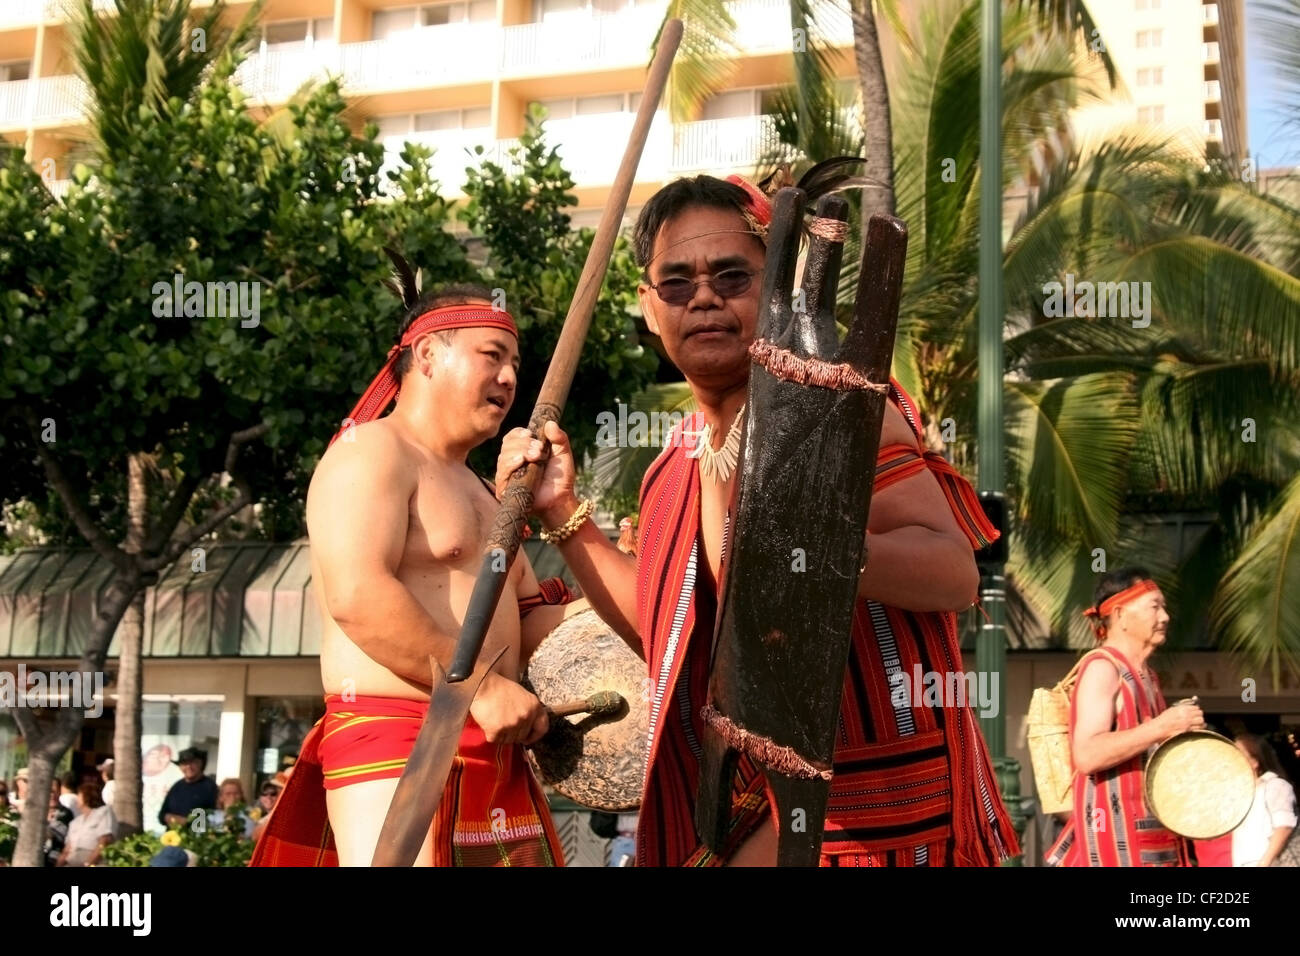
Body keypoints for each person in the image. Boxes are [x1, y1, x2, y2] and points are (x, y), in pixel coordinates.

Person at [499, 172, 1018, 866]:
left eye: (733, 275)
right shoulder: (671, 470)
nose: (704, 296)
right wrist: (565, 514)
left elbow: (953, 573)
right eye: (676, 282)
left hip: (869, 810)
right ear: (649, 308)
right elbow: (666, 635)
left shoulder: (843, 410)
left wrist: (828, 548)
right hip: (733, 812)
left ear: (774, 287)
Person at [252, 281, 576, 868]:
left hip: (494, 741)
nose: (508, 377)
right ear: (428, 354)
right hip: (398, 737)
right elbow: (359, 596)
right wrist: (478, 685)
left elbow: (528, 623)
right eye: (492, 356)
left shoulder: (487, 490)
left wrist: (635, 589)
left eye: (515, 363)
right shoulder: (371, 451)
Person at [1045, 568, 1204, 866]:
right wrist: (1163, 726)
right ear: (1119, 614)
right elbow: (1088, 754)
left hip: (1153, 840)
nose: (1165, 617)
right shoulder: (1102, 668)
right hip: (1113, 846)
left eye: (1164, 607)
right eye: (1155, 606)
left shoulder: (1149, 676)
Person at [1231, 734, 1297, 867]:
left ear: (1254, 762)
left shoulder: (1274, 785)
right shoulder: (1242, 792)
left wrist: (1264, 863)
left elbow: (1284, 827)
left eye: (1238, 753)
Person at [57, 783, 116, 867]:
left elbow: (105, 840)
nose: (77, 798)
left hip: (93, 859)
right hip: (72, 860)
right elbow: (67, 849)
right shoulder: (75, 822)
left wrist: (89, 863)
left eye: (79, 794)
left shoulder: (104, 812)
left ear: (87, 795)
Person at [158, 748, 219, 828]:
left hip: (198, 838)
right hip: (173, 838)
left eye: (192, 763)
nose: (188, 767)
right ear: (180, 767)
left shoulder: (210, 787)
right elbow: (161, 815)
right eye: (184, 764)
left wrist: (187, 822)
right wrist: (168, 818)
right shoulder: (176, 787)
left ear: (200, 764)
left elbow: (215, 816)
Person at [44, 781, 74, 867]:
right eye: (49, 791)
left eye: (55, 791)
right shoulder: (38, 812)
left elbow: (58, 834)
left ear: (60, 792)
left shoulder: (65, 813)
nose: (52, 795)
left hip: (55, 858)